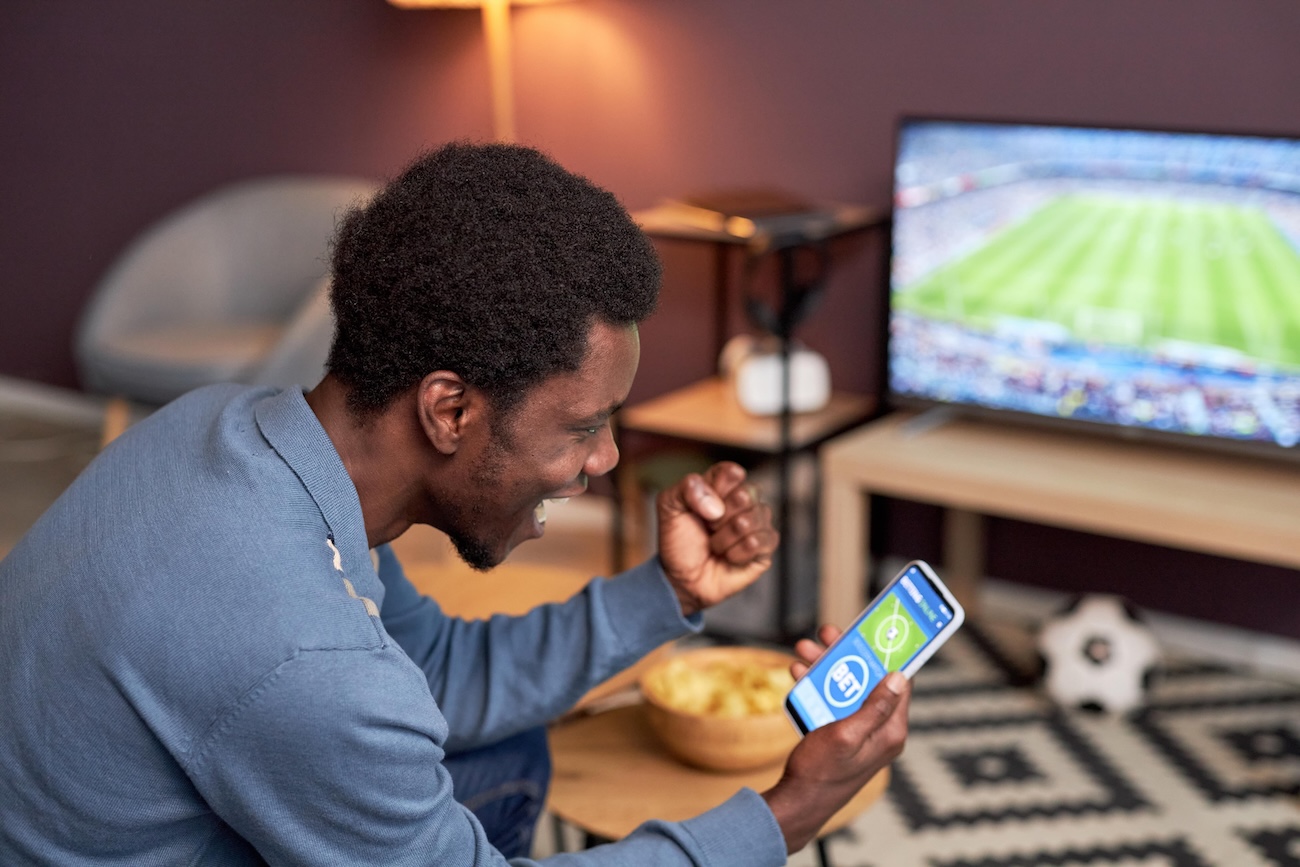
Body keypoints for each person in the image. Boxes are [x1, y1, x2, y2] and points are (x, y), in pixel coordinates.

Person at [0, 142, 910, 866]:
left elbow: (435, 669)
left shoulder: (234, 433)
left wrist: (669, 592)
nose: (606, 457)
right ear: (450, 408)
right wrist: (790, 813)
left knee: (509, 756)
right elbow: (331, 678)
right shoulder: (302, 652)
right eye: (581, 425)